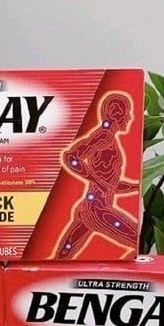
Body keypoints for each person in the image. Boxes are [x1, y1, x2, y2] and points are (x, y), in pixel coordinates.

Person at [54, 92, 138, 260]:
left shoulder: (108, 138)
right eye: (127, 112)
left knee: (63, 256)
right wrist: (96, 181)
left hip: (88, 208)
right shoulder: (104, 137)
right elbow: (71, 157)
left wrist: (136, 186)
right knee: (137, 241)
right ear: (115, 113)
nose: (130, 117)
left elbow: (111, 185)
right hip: (98, 211)